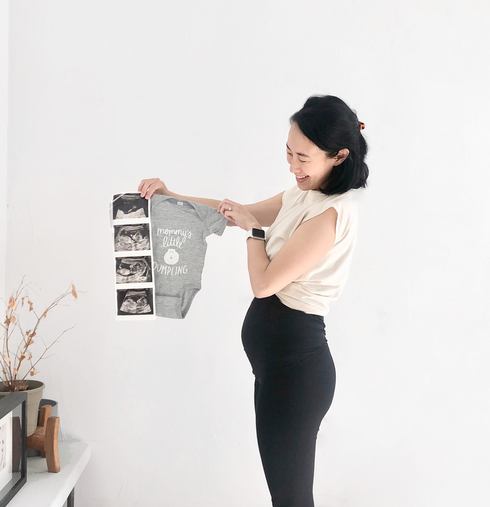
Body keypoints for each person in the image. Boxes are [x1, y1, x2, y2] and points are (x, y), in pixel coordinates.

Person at [139, 95, 369, 507]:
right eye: (288, 152)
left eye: (303, 157)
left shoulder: (333, 214)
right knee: (286, 498)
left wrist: (253, 233)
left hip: (297, 374)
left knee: (292, 500)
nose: (292, 166)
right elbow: (238, 210)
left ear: (339, 156)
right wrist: (170, 196)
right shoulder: (305, 195)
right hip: (277, 369)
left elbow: (264, 284)